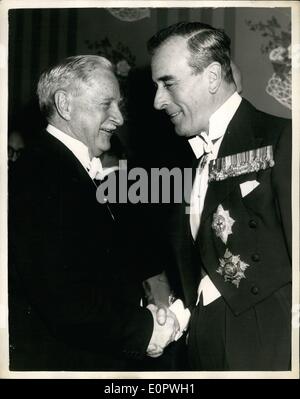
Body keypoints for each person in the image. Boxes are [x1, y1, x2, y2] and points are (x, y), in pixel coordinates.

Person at [8, 55, 178, 371]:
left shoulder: (71, 169)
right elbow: (65, 302)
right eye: (106, 105)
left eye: (119, 105)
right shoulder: (40, 177)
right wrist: (147, 330)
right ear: (65, 105)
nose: (119, 118)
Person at [147, 22, 292, 371]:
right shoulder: (189, 160)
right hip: (203, 345)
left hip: (266, 350)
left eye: (168, 83)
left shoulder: (282, 140)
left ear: (212, 77)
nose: (157, 101)